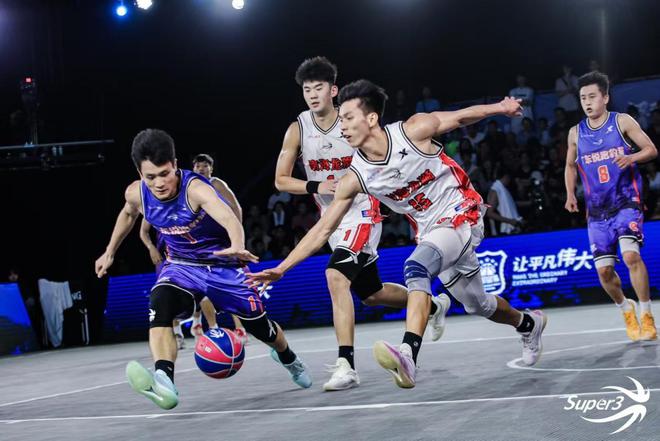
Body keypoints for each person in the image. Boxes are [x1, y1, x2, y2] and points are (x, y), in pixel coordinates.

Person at [251, 79, 548, 389]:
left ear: (371, 118)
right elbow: (324, 228)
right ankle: (528, 323)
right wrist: (282, 268)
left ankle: (408, 355)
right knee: (478, 304)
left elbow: (461, 117)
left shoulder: (412, 131)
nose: (343, 127)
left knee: (416, 267)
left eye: (349, 118)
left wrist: (501, 107)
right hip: (430, 230)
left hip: (461, 211)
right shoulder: (356, 177)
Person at [95, 129, 312, 410]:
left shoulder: (196, 189)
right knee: (160, 302)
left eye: (164, 174)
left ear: (175, 164)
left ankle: (288, 358)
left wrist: (237, 245)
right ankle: (164, 380)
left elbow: (229, 218)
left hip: (222, 265)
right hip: (181, 265)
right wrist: (109, 251)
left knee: (262, 329)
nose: (159, 183)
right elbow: (128, 214)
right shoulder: (136, 193)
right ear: (140, 173)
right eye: (151, 177)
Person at [273, 57, 450, 391]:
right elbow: (281, 180)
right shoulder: (298, 129)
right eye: (307, 90)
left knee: (335, 276)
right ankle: (431, 305)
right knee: (371, 294)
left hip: (362, 211)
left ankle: (346, 366)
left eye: (319, 88)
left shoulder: (350, 122)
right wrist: (315, 186)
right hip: (332, 218)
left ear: (333, 90)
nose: (312, 95)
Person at [564, 71, 658, 341]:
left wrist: (632, 158)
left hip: (626, 201)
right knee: (604, 272)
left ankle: (647, 314)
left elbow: (651, 149)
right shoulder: (575, 133)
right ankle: (625, 308)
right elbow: (570, 166)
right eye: (583, 98)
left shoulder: (622, 121)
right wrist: (570, 194)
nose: (587, 102)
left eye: (592, 96)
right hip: (596, 211)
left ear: (605, 97)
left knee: (630, 257)